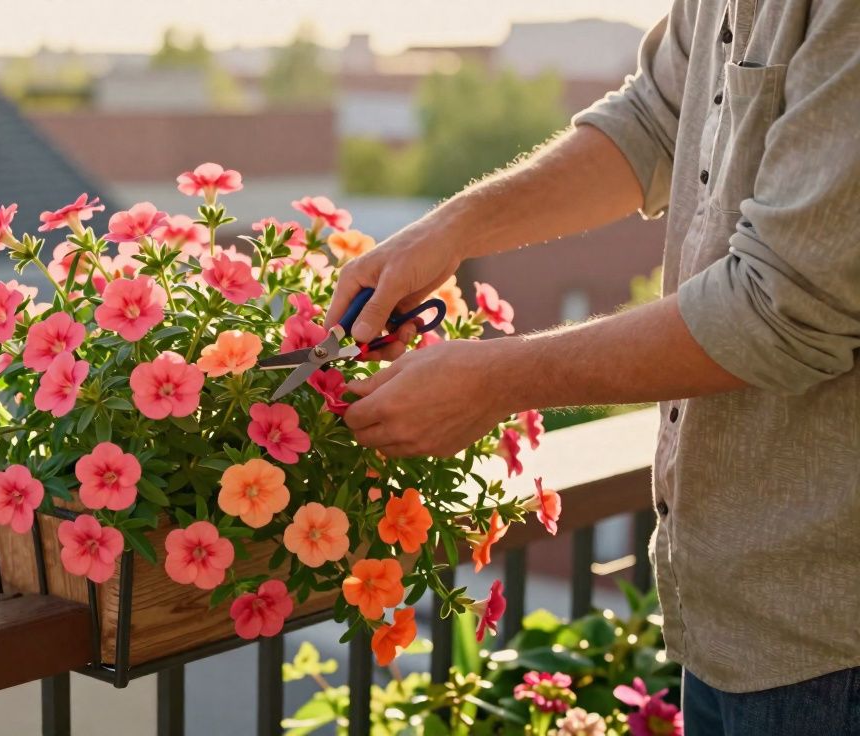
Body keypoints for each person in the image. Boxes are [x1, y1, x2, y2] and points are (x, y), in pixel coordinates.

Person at [327, 1, 859, 733]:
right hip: (729, 620)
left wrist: (495, 380)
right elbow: (654, 119)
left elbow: (784, 308)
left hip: (831, 636)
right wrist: (448, 230)